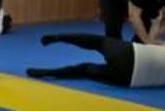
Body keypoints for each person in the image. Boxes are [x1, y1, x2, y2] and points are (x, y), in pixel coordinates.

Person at [26, 32, 165, 87]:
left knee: (97, 42)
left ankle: (60, 37)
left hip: (133, 53)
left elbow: (152, 40)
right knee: (85, 70)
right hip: (129, 79)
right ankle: (48, 73)